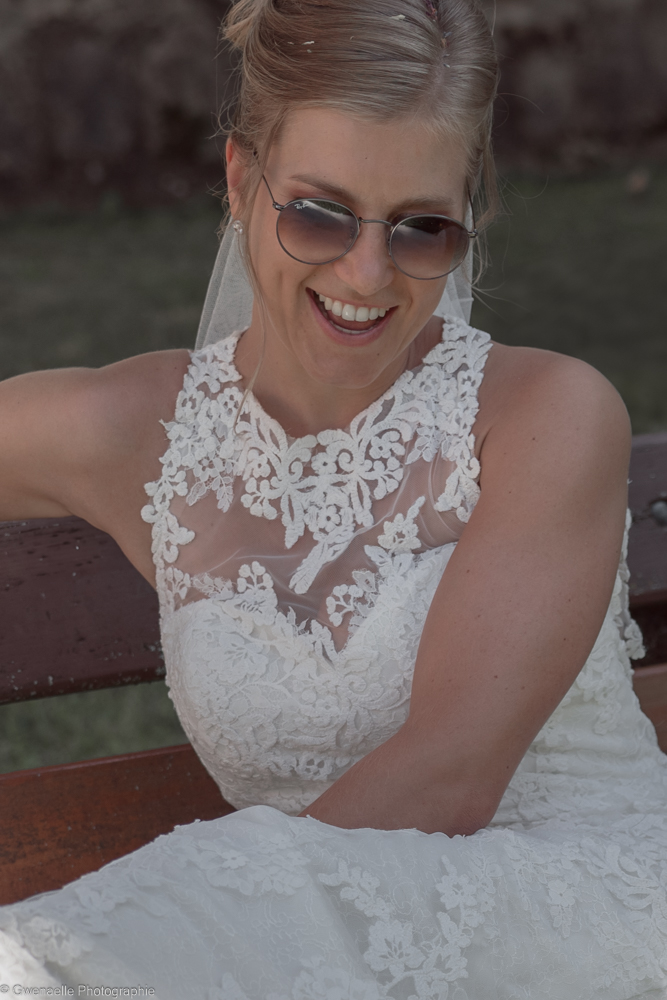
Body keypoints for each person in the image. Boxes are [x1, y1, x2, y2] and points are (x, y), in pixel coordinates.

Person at [1, 0, 666, 996]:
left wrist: (202, 934)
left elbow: (448, 776)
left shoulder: (549, 416)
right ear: (240, 181)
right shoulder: (132, 433)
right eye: (319, 212)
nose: (366, 273)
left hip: (572, 923)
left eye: (421, 227)